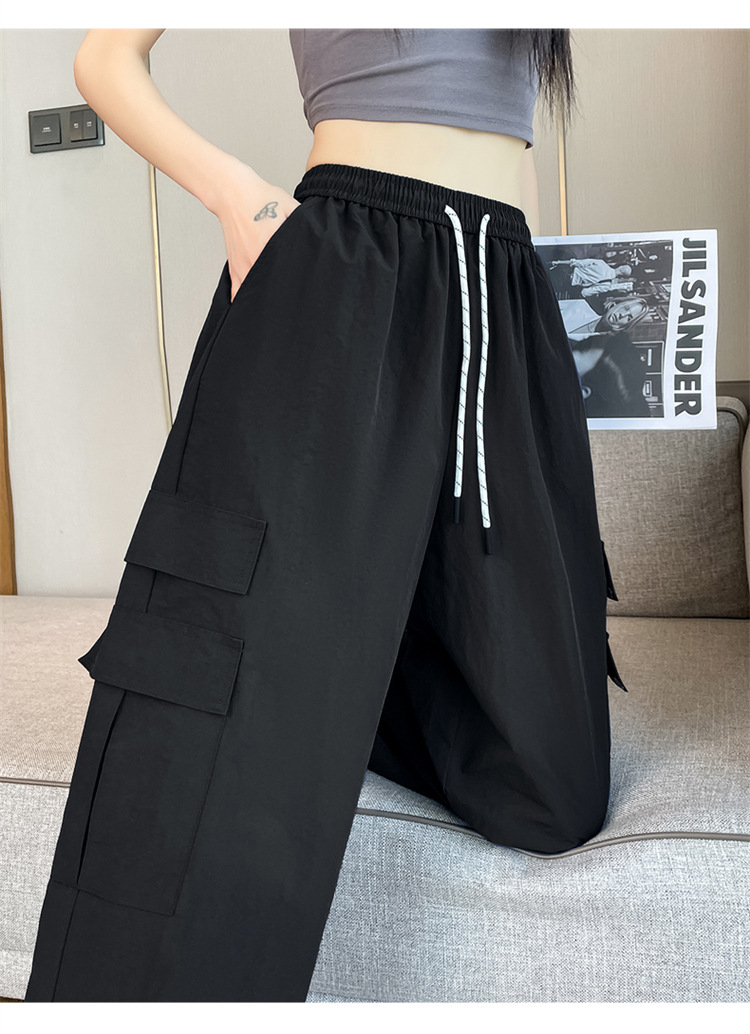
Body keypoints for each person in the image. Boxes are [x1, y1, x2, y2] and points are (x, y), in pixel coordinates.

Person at [24, 28, 628, 1004]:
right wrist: (240, 199)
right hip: (348, 270)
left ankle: (345, 674)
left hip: (504, 292)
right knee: (221, 727)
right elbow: (104, 57)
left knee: (550, 790)